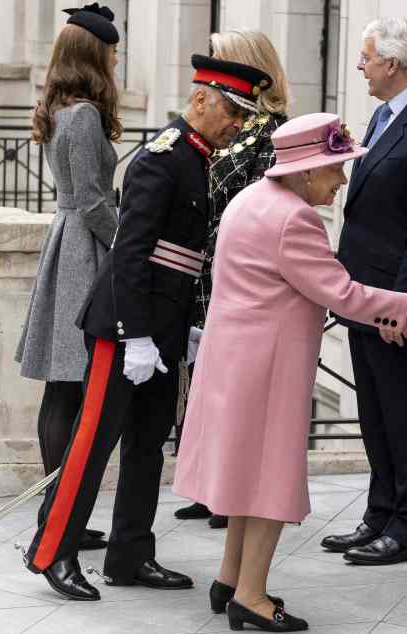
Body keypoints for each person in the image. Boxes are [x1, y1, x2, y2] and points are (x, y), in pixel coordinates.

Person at [173, 113, 407, 633]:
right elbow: (341, 292)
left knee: (244, 476)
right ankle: (252, 597)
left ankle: (231, 579)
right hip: (266, 370)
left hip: (233, 360)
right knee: (269, 482)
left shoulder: (249, 200)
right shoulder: (294, 219)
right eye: (335, 169)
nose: (342, 181)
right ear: (305, 172)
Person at [22, 53, 272, 602]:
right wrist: (132, 333)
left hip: (162, 323)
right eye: (231, 110)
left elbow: (185, 257)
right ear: (200, 99)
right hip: (124, 325)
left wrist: (182, 328)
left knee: (147, 445)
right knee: (93, 442)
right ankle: (53, 550)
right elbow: (131, 254)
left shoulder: (200, 156)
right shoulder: (161, 157)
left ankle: (131, 553)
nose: (237, 123)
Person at [320, 16, 407, 566]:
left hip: (396, 306)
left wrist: (401, 305)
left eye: (366, 57)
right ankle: (379, 514)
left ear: (392, 64)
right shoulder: (383, 115)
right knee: (376, 415)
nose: (360, 66)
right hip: (363, 296)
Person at [15, 2, 122, 554]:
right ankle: (58, 516)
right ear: (93, 56)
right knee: (69, 386)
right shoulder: (80, 115)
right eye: (111, 53)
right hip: (83, 248)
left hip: (73, 243)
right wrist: (131, 240)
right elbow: (91, 201)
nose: (116, 61)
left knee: (66, 389)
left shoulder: (63, 108)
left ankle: (59, 512)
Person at [174, 28, 290, 529]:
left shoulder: (272, 132)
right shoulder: (214, 121)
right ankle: (207, 485)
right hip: (199, 267)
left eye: (222, 58)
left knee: (231, 386)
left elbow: (267, 204)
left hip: (236, 272)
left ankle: (230, 493)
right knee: (202, 382)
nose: (215, 68)